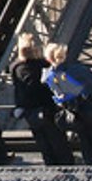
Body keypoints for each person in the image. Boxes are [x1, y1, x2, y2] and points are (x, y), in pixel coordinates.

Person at [44, 43, 92, 164]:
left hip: (72, 110)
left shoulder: (50, 76)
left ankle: (91, 161)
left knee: (84, 137)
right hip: (87, 106)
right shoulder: (75, 69)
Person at [11, 33, 74, 166]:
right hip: (46, 107)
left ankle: (51, 164)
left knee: (42, 140)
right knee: (57, 138)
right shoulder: (41, 66)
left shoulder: (15, 67)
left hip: (29, 111)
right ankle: (66, 163)